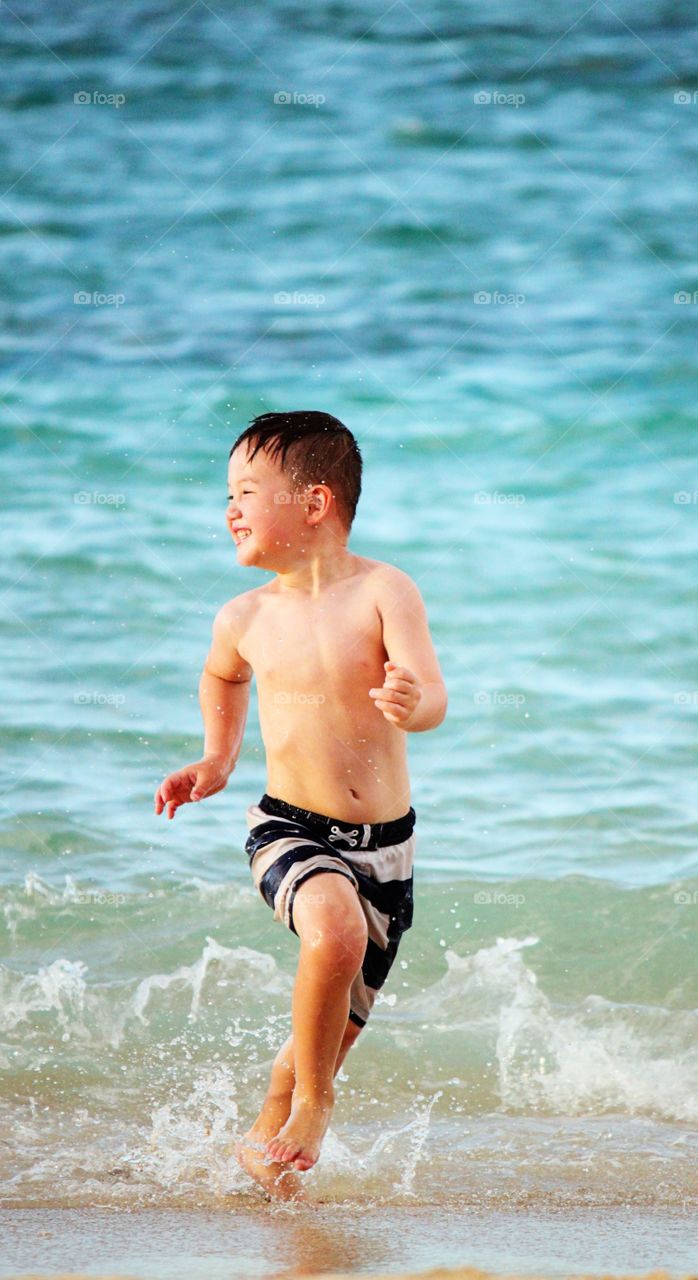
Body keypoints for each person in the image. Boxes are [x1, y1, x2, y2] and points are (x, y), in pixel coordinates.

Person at [153, 410, 447, 1198]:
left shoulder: (385, 591)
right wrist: (218, 759)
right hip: (289, 828)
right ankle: (316, 1108)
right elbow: (224, 675)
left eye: (248, 490)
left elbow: (433, 701)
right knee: (335, 930)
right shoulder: (244, 617)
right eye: (228, 493)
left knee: (331, 1029)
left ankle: (265, 1144)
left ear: (315, 505)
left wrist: (409, 700)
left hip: (387, 848)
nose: (230, 509)